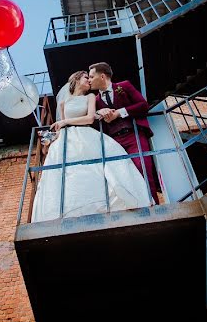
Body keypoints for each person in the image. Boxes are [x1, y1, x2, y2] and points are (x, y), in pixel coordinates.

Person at [31, 71, 152, 222]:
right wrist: (51, 137)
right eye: (86, 78)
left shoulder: (89, 98)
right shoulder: (63, 103)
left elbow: (89, 119)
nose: (89, 80)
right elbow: (60, 125)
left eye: (90, 77)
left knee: (101, 166)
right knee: (69, 173)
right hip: (67, 138)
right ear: (76, 79)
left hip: (86, 135)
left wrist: (66, 122)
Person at [88, 62, 161, 201]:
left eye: (91, 77)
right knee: (122, 177)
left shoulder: (124, 86)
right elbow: (93, 121)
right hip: (113, 142)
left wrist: (119, 113)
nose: (89, 80)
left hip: (134, 135)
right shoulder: (95, 100)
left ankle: (154, 208)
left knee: (143, 169)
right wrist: (99, 113)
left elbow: (143, 105)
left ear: (102, 76)